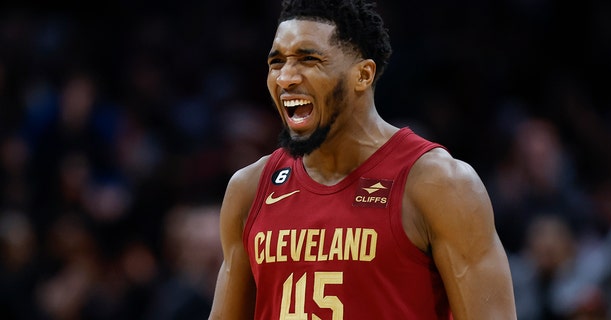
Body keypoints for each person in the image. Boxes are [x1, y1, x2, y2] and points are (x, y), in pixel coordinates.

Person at [208, 0, 516, 319]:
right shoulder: (249, 189)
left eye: (308, 59)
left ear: (363, 75)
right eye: (277, 62)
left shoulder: (438, 184)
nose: (285, 78)